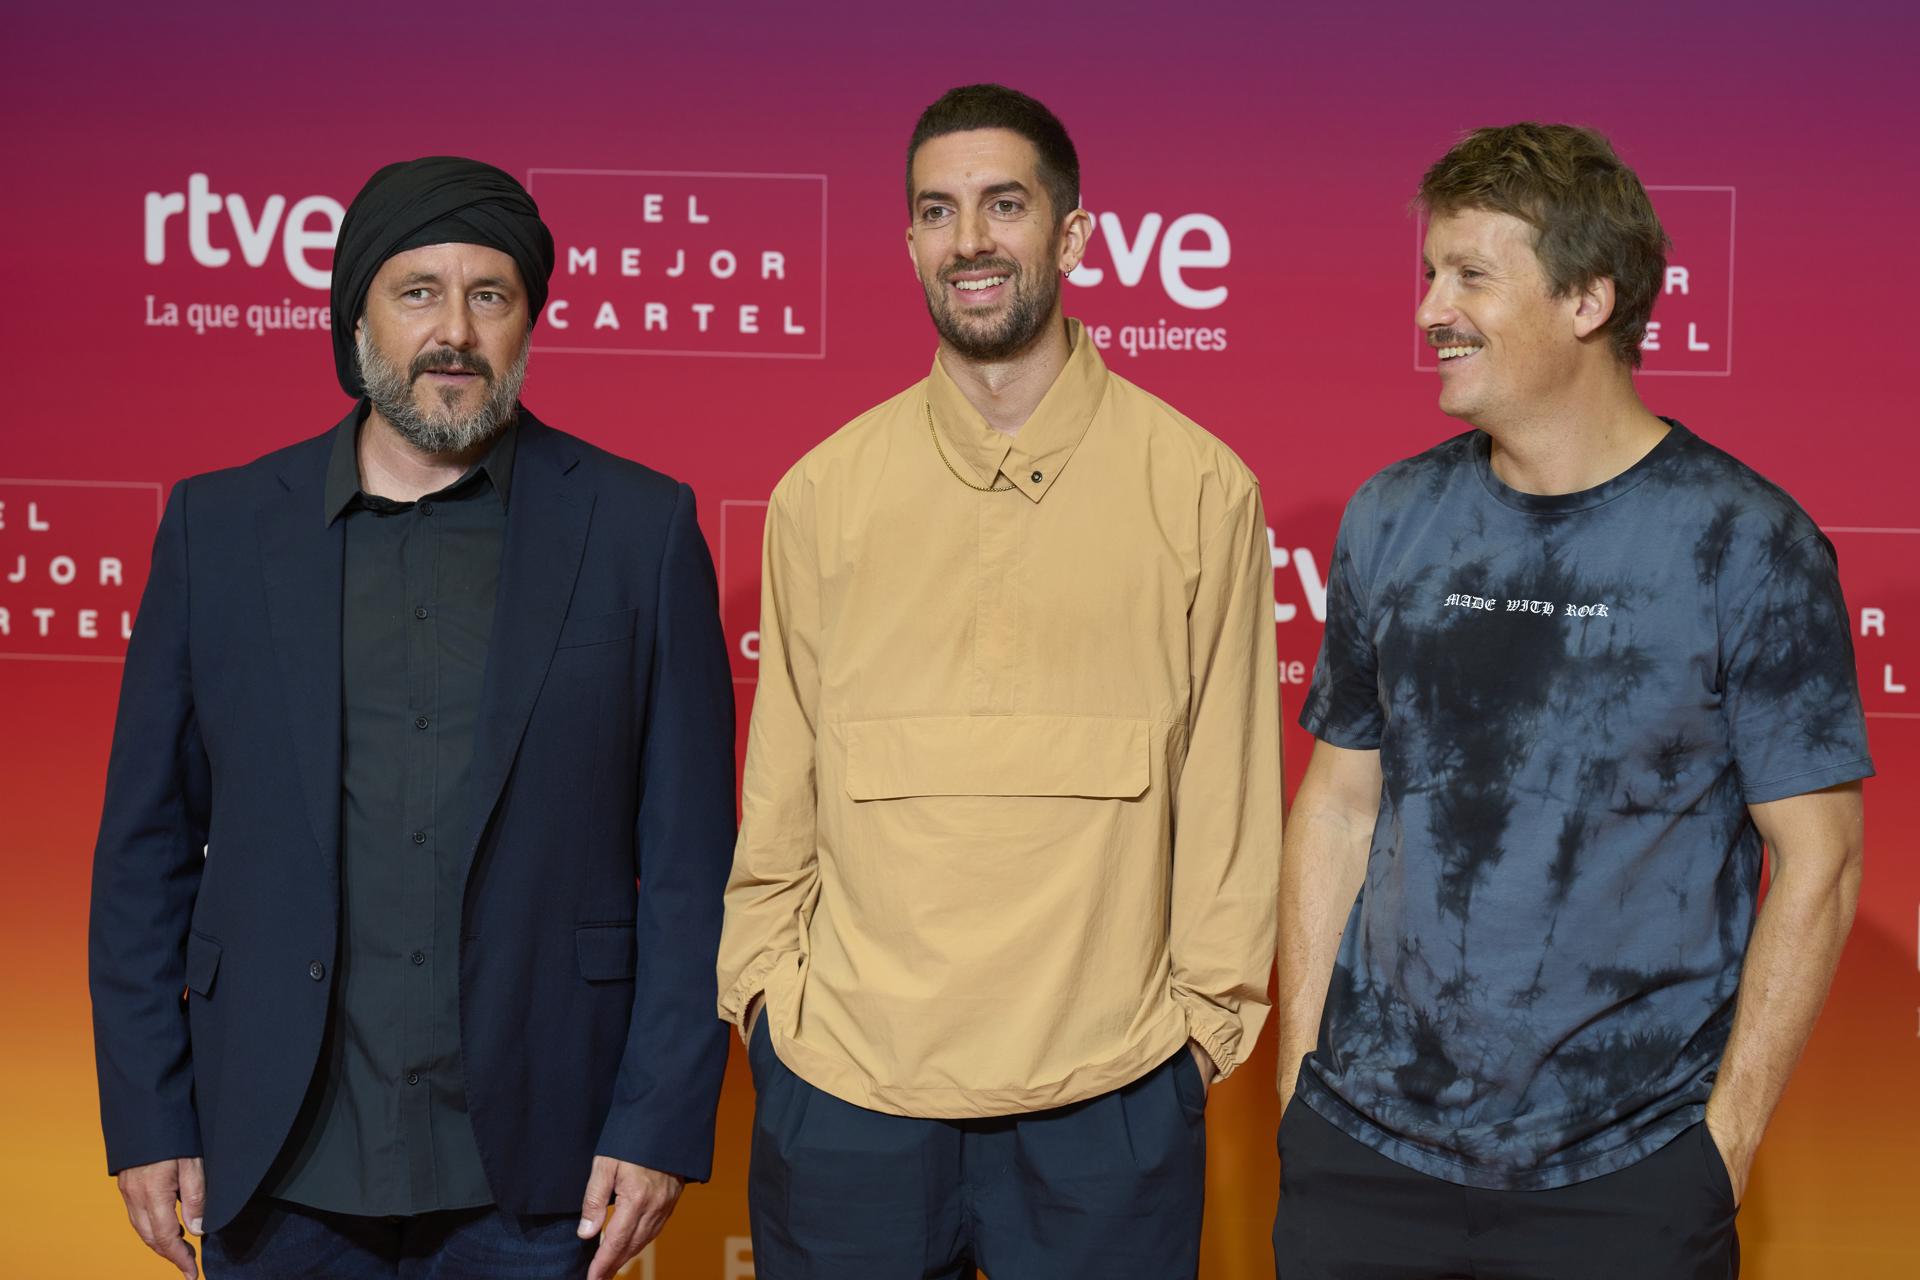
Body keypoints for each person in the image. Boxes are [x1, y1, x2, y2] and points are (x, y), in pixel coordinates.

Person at [90, 155, 736, 1280]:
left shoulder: (640, 529)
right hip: (275, 1156)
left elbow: (690, 866)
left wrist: (660, 1118)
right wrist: (150, 1114)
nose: (456, 330)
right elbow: (143, 855)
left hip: (545, 1160)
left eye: (490, 294)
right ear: (356, 321)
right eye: (419, 291)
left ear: (528, 319)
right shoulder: (221, 529)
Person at [1273, 123, 1874, 1278]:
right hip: (1362, 1157)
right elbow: (1341, 804)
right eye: (1429, 273)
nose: (1429, 309)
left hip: (1625, 1175)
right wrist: (1303, 1078)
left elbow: (1821, 858)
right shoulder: (1390, 518)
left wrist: (1722, 1148)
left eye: (1471, 276)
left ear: (1590, 298)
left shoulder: (1747, 542)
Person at [717, 83, 1281, 1277]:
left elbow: (1228, 799)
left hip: (1113, 1099)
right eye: (938, 211)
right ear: (912, 241)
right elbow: (781, 796)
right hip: (845, 1094)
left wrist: (1200, 1036)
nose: (969, 240)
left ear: (1072, 235)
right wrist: (765, 1002)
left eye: (1003, 205)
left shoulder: (1199, 488)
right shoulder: (823, 494)